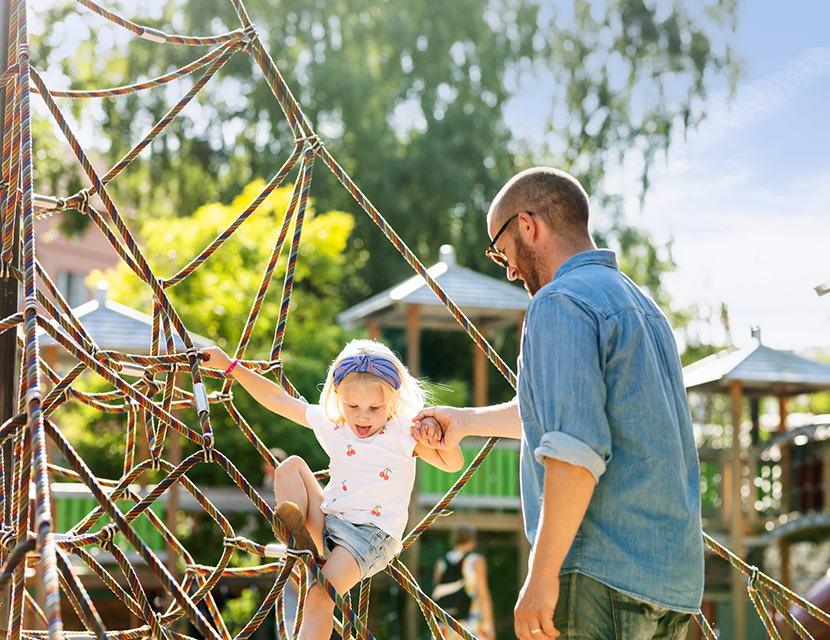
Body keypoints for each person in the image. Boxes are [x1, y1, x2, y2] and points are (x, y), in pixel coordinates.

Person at [412, 167, 704, 640]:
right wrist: (464, 422)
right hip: (672, 584)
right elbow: (564, 413)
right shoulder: (643, 307)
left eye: (502, 251)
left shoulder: (558, 302)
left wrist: (542, 574)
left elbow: (576, 445)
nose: (508, 268)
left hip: (597, 571)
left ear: (528, 226)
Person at [201, 339, 463, 640]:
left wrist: (439, 437)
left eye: (374, 408)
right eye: (353, 406)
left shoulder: (403, 432)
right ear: (338, 397)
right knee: (290, 466)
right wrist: (229, 366)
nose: (363, 416)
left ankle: (303, 550)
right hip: (328, 523)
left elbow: (452, 464)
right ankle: (297, 537)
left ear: (391, 402)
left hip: (370, 535)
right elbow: (278, 401)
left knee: (318, 596)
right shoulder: (335, 425)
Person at [433, 524, 495, 640]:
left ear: (454, 540)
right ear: (473, 540)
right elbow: (483, 595)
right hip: (471, 622)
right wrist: (490, 625)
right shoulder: (476, 561)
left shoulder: (441, 562)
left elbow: (437, 593)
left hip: (447, 622)